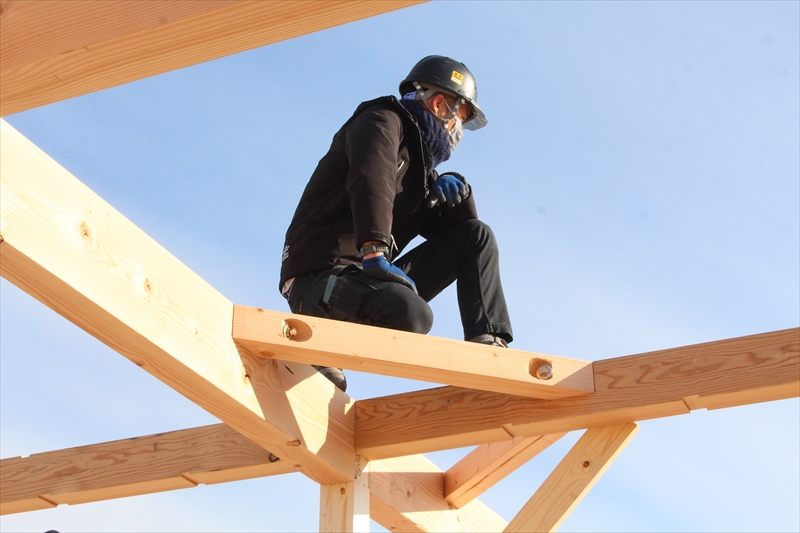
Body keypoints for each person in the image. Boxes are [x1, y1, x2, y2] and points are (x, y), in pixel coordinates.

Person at [279, 55, 513, 391]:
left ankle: (490, 345)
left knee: (477, 236)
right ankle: (321, 344)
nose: (456, 132)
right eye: (458, 118)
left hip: (365, 275)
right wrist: (374, 250)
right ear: (439, 104)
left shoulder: (420, 173)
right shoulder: (382, 121)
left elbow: (461, 242)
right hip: (319, 279)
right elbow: (371, 179)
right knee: (410, 314)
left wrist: (457, 193)